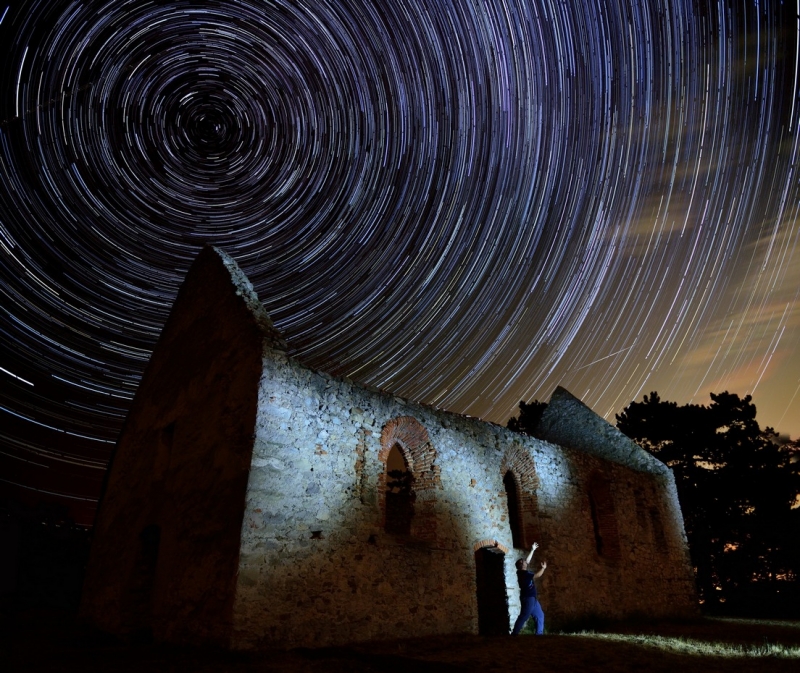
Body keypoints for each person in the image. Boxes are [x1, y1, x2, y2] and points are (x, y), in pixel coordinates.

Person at [510, 542, 547, 635]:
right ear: (522, 565)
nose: (526, 562)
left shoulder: (521, 572)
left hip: (532, 598)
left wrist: (532, 550)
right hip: (528, 598)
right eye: (524, 561)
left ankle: (539, 634)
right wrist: (543, 568)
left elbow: (527, 561)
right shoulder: (524, 574)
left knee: (540, 615)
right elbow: (537, 575)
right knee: (524, 616)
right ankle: (514, 634)